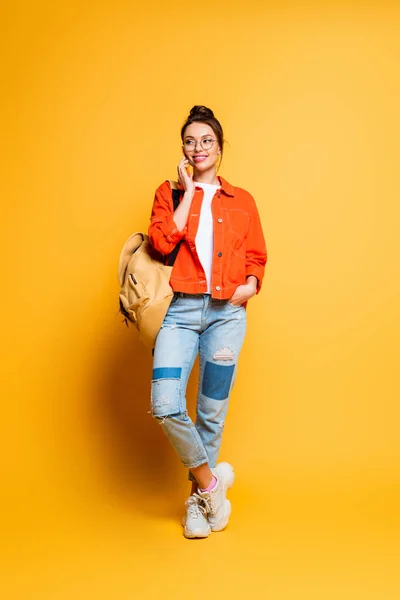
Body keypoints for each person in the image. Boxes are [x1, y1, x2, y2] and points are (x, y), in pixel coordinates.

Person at [148, 105, 267, 538]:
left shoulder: (243, 201)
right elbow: (162, 243)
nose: (198, 147)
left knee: (211, 414)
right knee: (165, 404)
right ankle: (212, 485)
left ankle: (197, 505)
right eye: (190, 141)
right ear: (183, 148)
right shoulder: (170, 193)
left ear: (219, 147)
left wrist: (251, 285)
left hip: (226, 316)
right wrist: (190, 192)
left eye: (206, 141)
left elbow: (256, 255)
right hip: (179, 313)